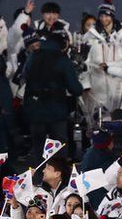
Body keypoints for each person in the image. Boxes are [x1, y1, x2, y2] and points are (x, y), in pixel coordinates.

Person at [24, 31, 83, 163]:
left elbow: (25, 76)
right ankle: (58, 179)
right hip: (55, 110)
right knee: (59, 148)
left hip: (34, 109)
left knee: (38, 149)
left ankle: (38, 178)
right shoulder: (62, 59)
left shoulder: (33, 56)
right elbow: (75, 88)